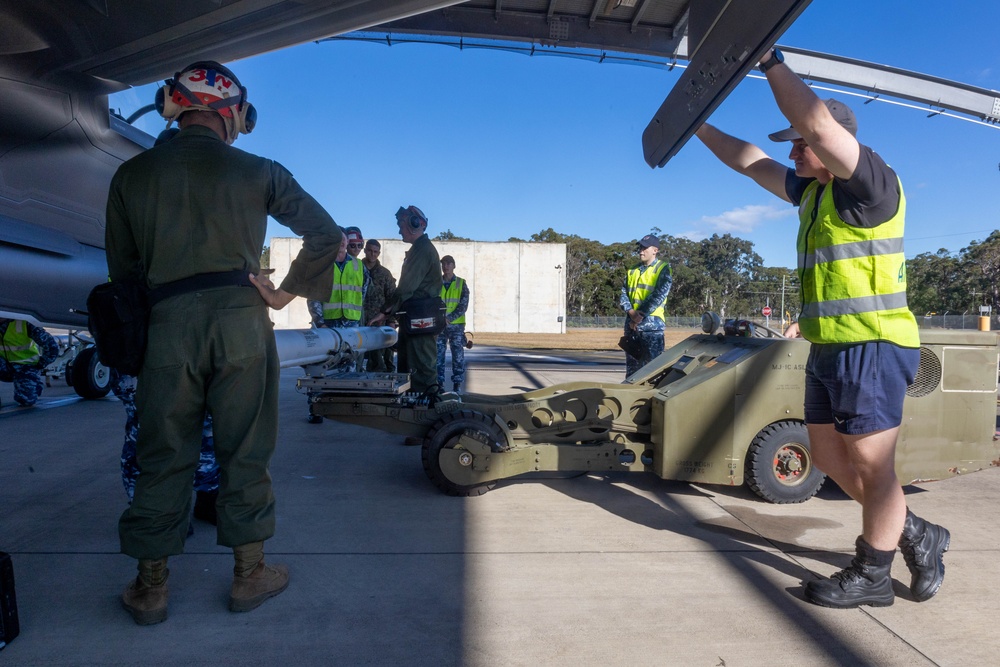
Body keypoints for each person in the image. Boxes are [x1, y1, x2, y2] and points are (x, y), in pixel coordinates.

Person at [694, 48, 948, 609]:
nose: (795, 150)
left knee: (872, 465)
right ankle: (915, 532)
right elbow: (750, 161)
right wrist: (699, 127)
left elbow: (813, 121)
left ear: (835, 142)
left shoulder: (871, 187)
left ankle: (873, 573)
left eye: (804, 142)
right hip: (830, 348)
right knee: (831, 461)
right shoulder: (812, 193)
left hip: (874, 345)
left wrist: (770, 62)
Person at [105, 60, 340, 625]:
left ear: (172, 105)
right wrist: (284, 294)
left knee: (162, 456)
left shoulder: (131, 176)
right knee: (245, 452)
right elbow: (326, 234)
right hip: (241, 323)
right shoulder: (259, 170)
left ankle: (151, 587)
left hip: (167, 328)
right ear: (233, 114)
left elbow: (124, 275)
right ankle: (249, 575)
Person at [110, 369, 219, 524]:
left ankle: (208, 496)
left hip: (193, 361)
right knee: (149, 429)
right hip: (142, 365)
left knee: (207, 423)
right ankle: (155, 510)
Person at [370, 205, 442, 402]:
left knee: (420, 369)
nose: (399, 230)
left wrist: (385, 313)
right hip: (416, 319)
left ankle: (427, 413)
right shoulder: (419, 250)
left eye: (401, 224)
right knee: (410, 367)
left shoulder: (422, 251)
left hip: (420, 320)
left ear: (414, 224)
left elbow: (406, 288)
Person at [619, 235, 672, 376]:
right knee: (632, 372)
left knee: (652, 371)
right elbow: (624, 294)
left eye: (645, 248)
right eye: (640, 248)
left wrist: (640, 314)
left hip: (651, 327)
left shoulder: (663, 269)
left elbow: (659, 295)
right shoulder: (632, 270)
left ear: (655, 250)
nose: (641, 251)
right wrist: (631, 313)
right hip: (631, 326)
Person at [307, 228, 369, 329]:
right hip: (327, 324)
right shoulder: (322, 265)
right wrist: (320, 323)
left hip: (352, 324)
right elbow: (313, 296)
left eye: (343, 239)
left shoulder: (359, 266)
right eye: (336, 238)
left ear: (348, 241)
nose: (340, 242)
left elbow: (362, 293)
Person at [0, 318, 58, 407]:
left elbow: (52, 347)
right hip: (3, 366)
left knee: (26, 400)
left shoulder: (24, 323)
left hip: (25, 366)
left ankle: (33, 382)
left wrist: (40, 365)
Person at [362, 239, 397, 372]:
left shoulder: (384, 274)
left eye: (375, 252)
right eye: (370, 251)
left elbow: (392, 298)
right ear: (365, 250)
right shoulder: (356, 269)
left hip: (380, 323)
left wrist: (392, 322)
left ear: (379, 253)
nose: (372, 254)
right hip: (360, 321)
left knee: (383, 360)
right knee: (357, 358)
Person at [436, 255, 469, 393]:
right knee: (438, 356)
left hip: (456, 326)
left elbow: (463, 305)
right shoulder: (436, 283)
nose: (446, 266)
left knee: (458, 356)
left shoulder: (461, 283)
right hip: (439, 326)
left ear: (454, 266)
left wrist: (449, 318)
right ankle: (439, 384)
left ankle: (457, 385)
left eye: (449, 263)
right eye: (443, 263)